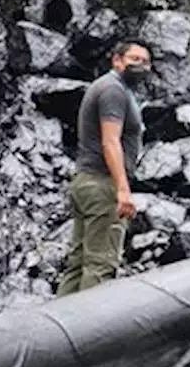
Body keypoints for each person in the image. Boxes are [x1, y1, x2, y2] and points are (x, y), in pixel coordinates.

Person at [56, 40, 150, 296]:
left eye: (146, 61)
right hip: (102, 184)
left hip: (86, 181)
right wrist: (122, 189)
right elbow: (111, 141)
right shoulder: (113, 91)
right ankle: (86, 331)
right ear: (117, 60)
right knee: (101, 264)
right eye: (134, 59)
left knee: (78, 263)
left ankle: (55, 327)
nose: (141, 65)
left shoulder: (107, 87)